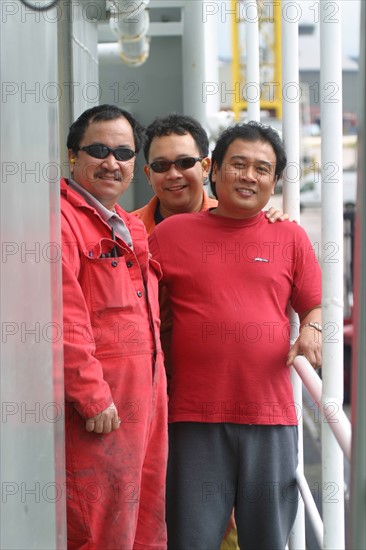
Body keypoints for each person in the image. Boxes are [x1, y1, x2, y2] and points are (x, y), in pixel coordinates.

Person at [148, 121, 322, 549]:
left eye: (262, 169)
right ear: (215, 171)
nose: (249, 176)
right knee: (191, 538)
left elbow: (313, 303)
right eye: (238, 165)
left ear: (275, 180)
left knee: (268, 539)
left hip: (270, 416)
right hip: (193, 417)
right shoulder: (172, 234)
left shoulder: (290, 236)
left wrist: (314, 329)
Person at [61, 104, 167, 549]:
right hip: (101, 412)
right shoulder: (61, 222)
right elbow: (61, 316)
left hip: (147, 402)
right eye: (99, 149)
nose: (112, 162)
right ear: (72, 156)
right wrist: (91, 396)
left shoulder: (127, 225)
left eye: (123, 152)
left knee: (144, 522)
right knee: (100, 529)